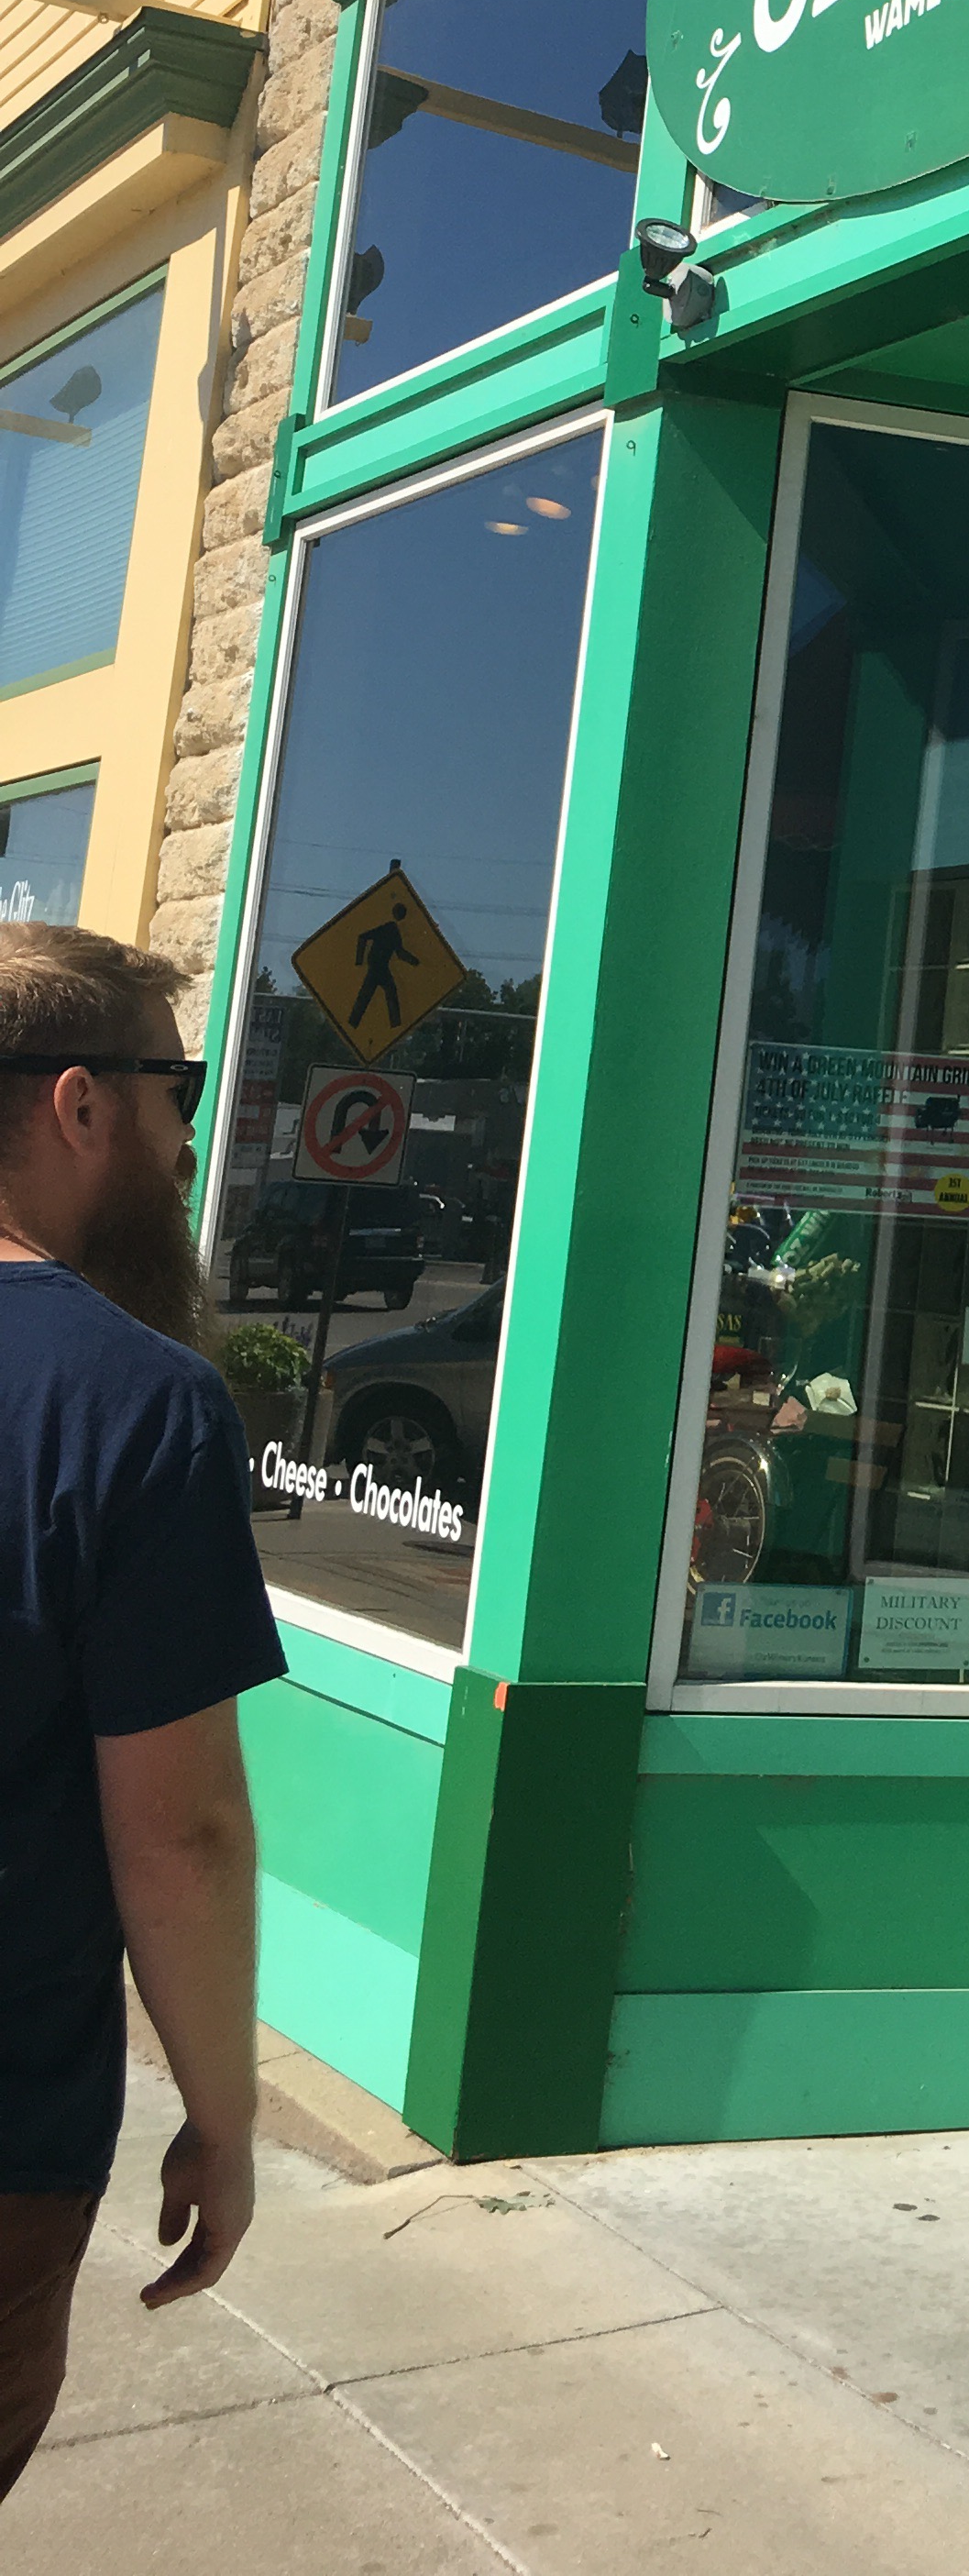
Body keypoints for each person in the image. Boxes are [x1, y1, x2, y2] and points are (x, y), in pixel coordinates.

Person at [0, 924, 285, 2500]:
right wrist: (223, 2120)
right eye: (179, 1095)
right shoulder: (137, 1406)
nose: (187, 1143)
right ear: (80, 1104)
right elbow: (179, 1838)